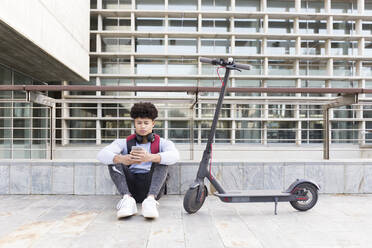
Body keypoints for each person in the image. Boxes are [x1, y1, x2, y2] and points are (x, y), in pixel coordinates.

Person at [97, 102, 179, 219]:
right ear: (134, 124)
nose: (143, 126)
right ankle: (127, 200)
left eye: (146, 123)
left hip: (153, 187)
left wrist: (151, 157)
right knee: (112, 160)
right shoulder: (123, 142)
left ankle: (150, 201)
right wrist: (122, 159)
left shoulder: (163, 142)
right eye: (139, 123)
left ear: (153, 124)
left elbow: (175, 155)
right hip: (130, 186)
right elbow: (101, 154)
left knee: (162, 160)